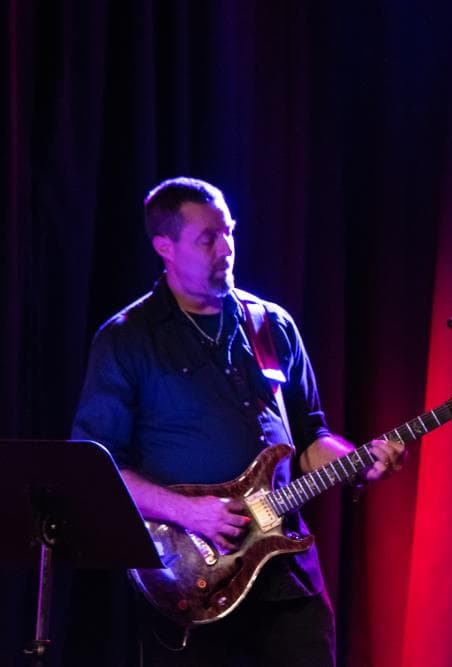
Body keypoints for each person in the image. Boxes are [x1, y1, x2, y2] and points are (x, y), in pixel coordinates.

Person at [72, 177, 402, 666]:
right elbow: (96, 469)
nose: (226, 248)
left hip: (286, 575)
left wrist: (357, 460)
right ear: (164, 246)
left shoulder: (271, 324)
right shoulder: (127, 338)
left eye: (229, 232)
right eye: (208, 237)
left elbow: (310, 439)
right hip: (192, 579)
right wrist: (189, 512)